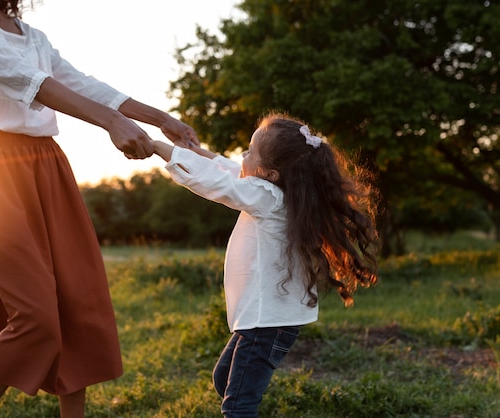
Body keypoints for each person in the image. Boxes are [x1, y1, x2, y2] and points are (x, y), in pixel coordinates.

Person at [0, 0, 198, 417]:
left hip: (46, 164)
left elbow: (81, 83)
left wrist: (161, 118)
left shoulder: (31, 35)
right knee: (35, 316)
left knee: (75, 303)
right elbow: (35, 83)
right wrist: (111, 123)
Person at [151, 112, 379, 417]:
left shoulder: (266, 197)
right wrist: (193, 151)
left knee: (238, 406)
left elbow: (216, 181)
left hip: (266, 323)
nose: (243, 155)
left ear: (270, 173)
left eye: (249, 151)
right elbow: (230, 170)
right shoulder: (277, 192)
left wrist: (155, 146)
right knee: (224, 382)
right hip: (267, 321)